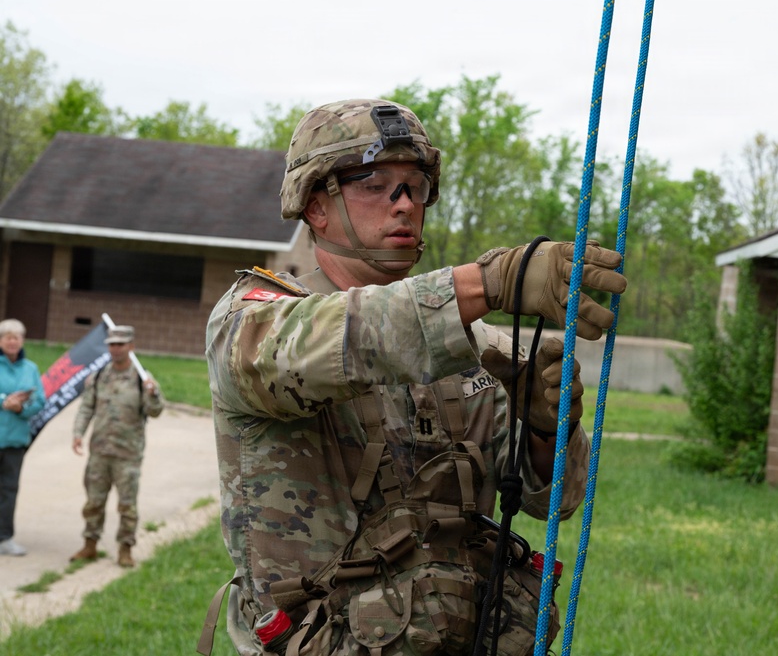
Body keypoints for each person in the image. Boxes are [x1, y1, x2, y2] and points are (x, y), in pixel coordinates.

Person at [201, 99, 626, 656]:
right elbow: (344, 338)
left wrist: (549, 430)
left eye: (415, 185)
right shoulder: (253, 320)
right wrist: (491, 282)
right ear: (315, 206)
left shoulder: (481, 351)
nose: (404, 204)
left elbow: (559, 502)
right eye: (374, 183)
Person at [70, 324, 164, 567]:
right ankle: (90, 544)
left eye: (121, 344)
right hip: (100, 451)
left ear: (131, 347)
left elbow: (155, 412)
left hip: (127, 455)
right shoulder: (100, 376)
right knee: (94, 501)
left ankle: (125, 549)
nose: (116, 348)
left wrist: (153, 394)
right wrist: (78, 433)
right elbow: (87, 407)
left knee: (127, 505)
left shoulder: (141, 378)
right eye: (112, 344)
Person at [0, 319, 45, 557]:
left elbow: (40, 401)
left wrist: (20, 408)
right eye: (7, 336)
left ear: (22, 341)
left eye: (16, 337)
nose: (12, 341)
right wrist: (4, 402)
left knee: (8, 489)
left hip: (15, 441)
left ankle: (4, 538)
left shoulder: (31, 368)